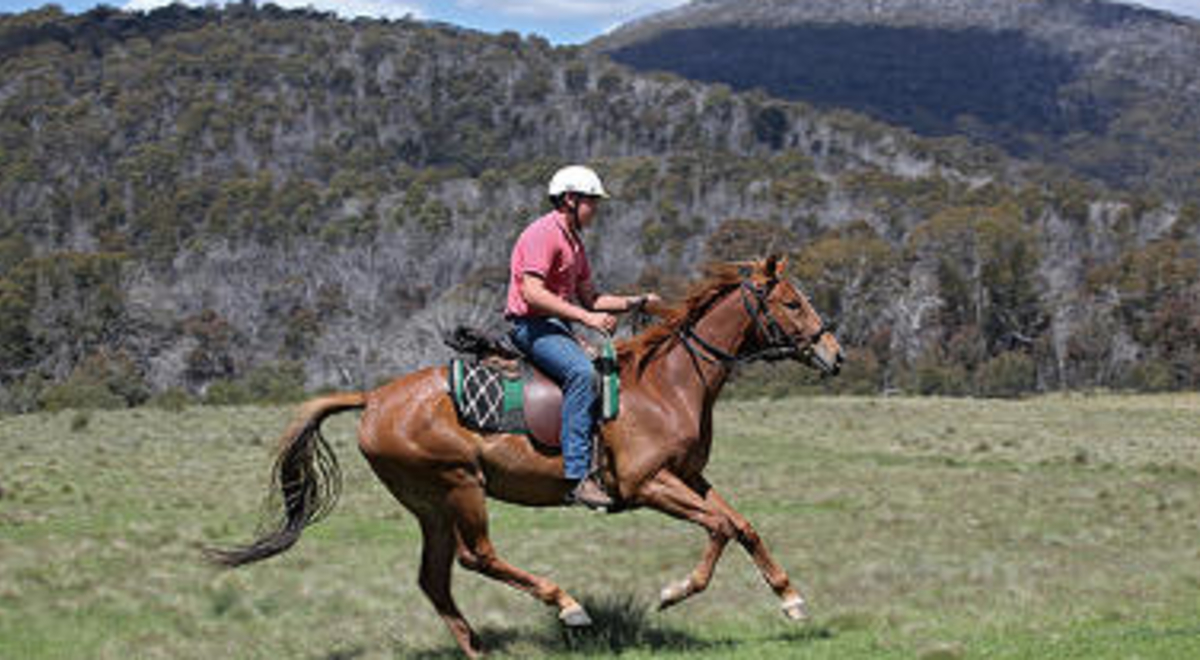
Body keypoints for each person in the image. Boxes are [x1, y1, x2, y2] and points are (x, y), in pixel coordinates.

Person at [505, 165, 658, 509]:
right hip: (529, 326)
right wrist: (587, 319)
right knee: (582, 374)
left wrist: (637, 302)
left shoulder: (575, 243)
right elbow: (532, 293)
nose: (596, 210)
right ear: (570, 200)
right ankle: (578, 477)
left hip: (555, 326)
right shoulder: (543, 234)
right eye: (592, 202)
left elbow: (593, 298)